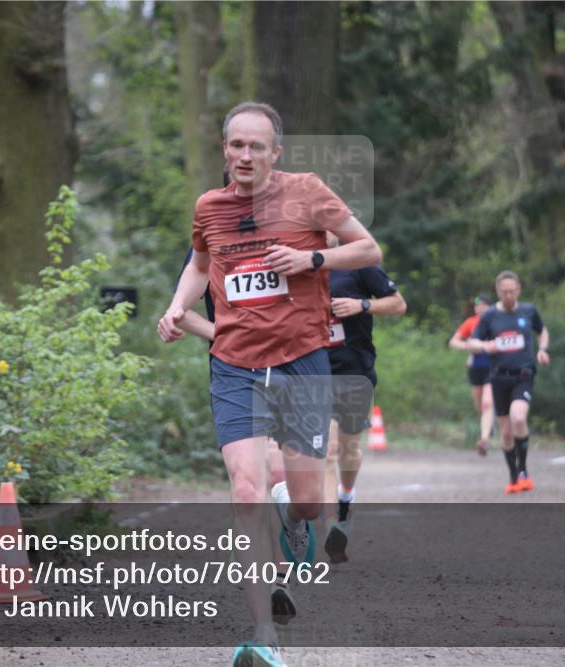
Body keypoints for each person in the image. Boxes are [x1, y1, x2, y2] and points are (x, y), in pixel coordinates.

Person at [157, 101, 381, 667]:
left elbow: (367, 248)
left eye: (257, 146)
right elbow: (199, 264)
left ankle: (296, 518)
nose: (245, 155)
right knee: (246, 489)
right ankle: (263, 631)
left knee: (307, 503)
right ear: (225, 151)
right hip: (235, 364)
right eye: (236, 145)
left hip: (302, 359)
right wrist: (178, 305)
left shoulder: (307, 191)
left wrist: (310, 259)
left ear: (275, 153)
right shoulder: (210, 207)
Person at [322, 232, 406, 563]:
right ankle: (331, 526)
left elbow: (399, 304)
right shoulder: (299, 266)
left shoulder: (358, 263)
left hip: (354, 370)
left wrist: (362, 305)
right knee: (326, 450)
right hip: (314, 371)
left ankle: (346, 497)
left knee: (349, 448)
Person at [466, 271, 549, 495]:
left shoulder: (528, 311)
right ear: (498, 291)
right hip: (498, 377)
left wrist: (542, 350)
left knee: (518, 417)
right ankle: (513, 477)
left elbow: (542, 331)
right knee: (505, 433)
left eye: (512, 291)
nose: (509, 295)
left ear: (519, 290)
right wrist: (485, 346)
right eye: (504, 292)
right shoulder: (490, 315)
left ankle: (523, 471)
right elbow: (473, 341)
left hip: (523, 375)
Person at [448, 296, 494, 456]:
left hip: (494, 367)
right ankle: (488, 426)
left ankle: (484, 439)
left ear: (490, 307)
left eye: (483, 305)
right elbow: (453, 342)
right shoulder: (471, 322)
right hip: (476, 367)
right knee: (480, 405)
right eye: (477, 306)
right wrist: (468, 346)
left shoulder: (497, 320)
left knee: (487, 403)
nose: (480, 308)